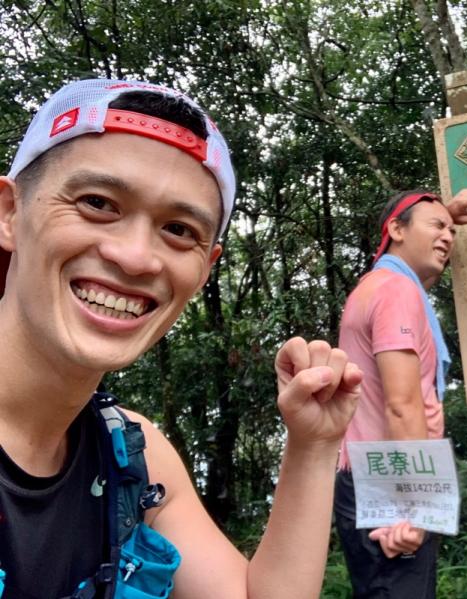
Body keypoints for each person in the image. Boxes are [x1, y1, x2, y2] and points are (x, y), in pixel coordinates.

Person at [0, 78, 362, 599]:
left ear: (206, 267)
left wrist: (313, 445)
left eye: (179, 230)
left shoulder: (131, 457)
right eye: (97, 202)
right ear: (10, 213)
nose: (136, 258)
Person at [333, 187, 467, 598]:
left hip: (372, 473)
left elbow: (426, 272)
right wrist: (417, 506)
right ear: (396, 230)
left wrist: (441, 217)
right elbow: (402, 404)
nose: (448, 236)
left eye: (451, 231)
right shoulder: (395, 291)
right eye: (437, 227)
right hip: (392, 477)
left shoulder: (381, 285)